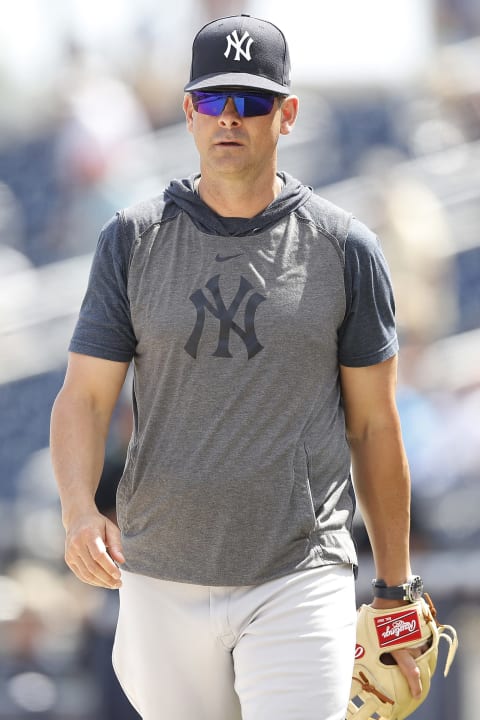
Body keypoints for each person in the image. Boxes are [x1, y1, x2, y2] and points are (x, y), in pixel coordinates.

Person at [50, 14, 425, 720]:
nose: (230, 117)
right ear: (189, 112)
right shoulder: (131, 239)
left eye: (251, 101)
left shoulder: (345, 247)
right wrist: (77, 509)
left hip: (299, 571)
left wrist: (396, 592)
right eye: (214, 100)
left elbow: (375, 428)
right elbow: (84, 400)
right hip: (161, 568)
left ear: (286, 115)